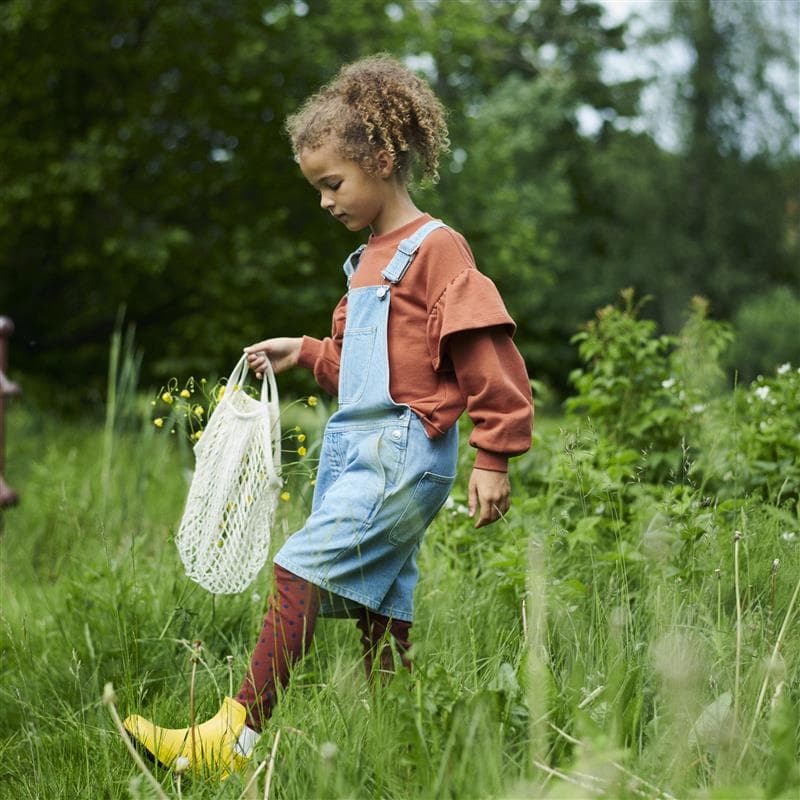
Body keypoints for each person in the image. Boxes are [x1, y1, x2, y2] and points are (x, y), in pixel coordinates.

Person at [123, 54, 533, 778]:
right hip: (361, 450)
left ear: (381, 158)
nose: (324, 201)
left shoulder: (435, 250)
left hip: (404, 453)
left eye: (332, 183)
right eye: (317, 187)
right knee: (381, 606)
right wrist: (308, 350)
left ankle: (231, 737)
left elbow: (483, 352)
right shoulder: (366, 262)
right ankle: (402, 751)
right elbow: (370, 372)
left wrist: (494, 455)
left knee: (301, 568)